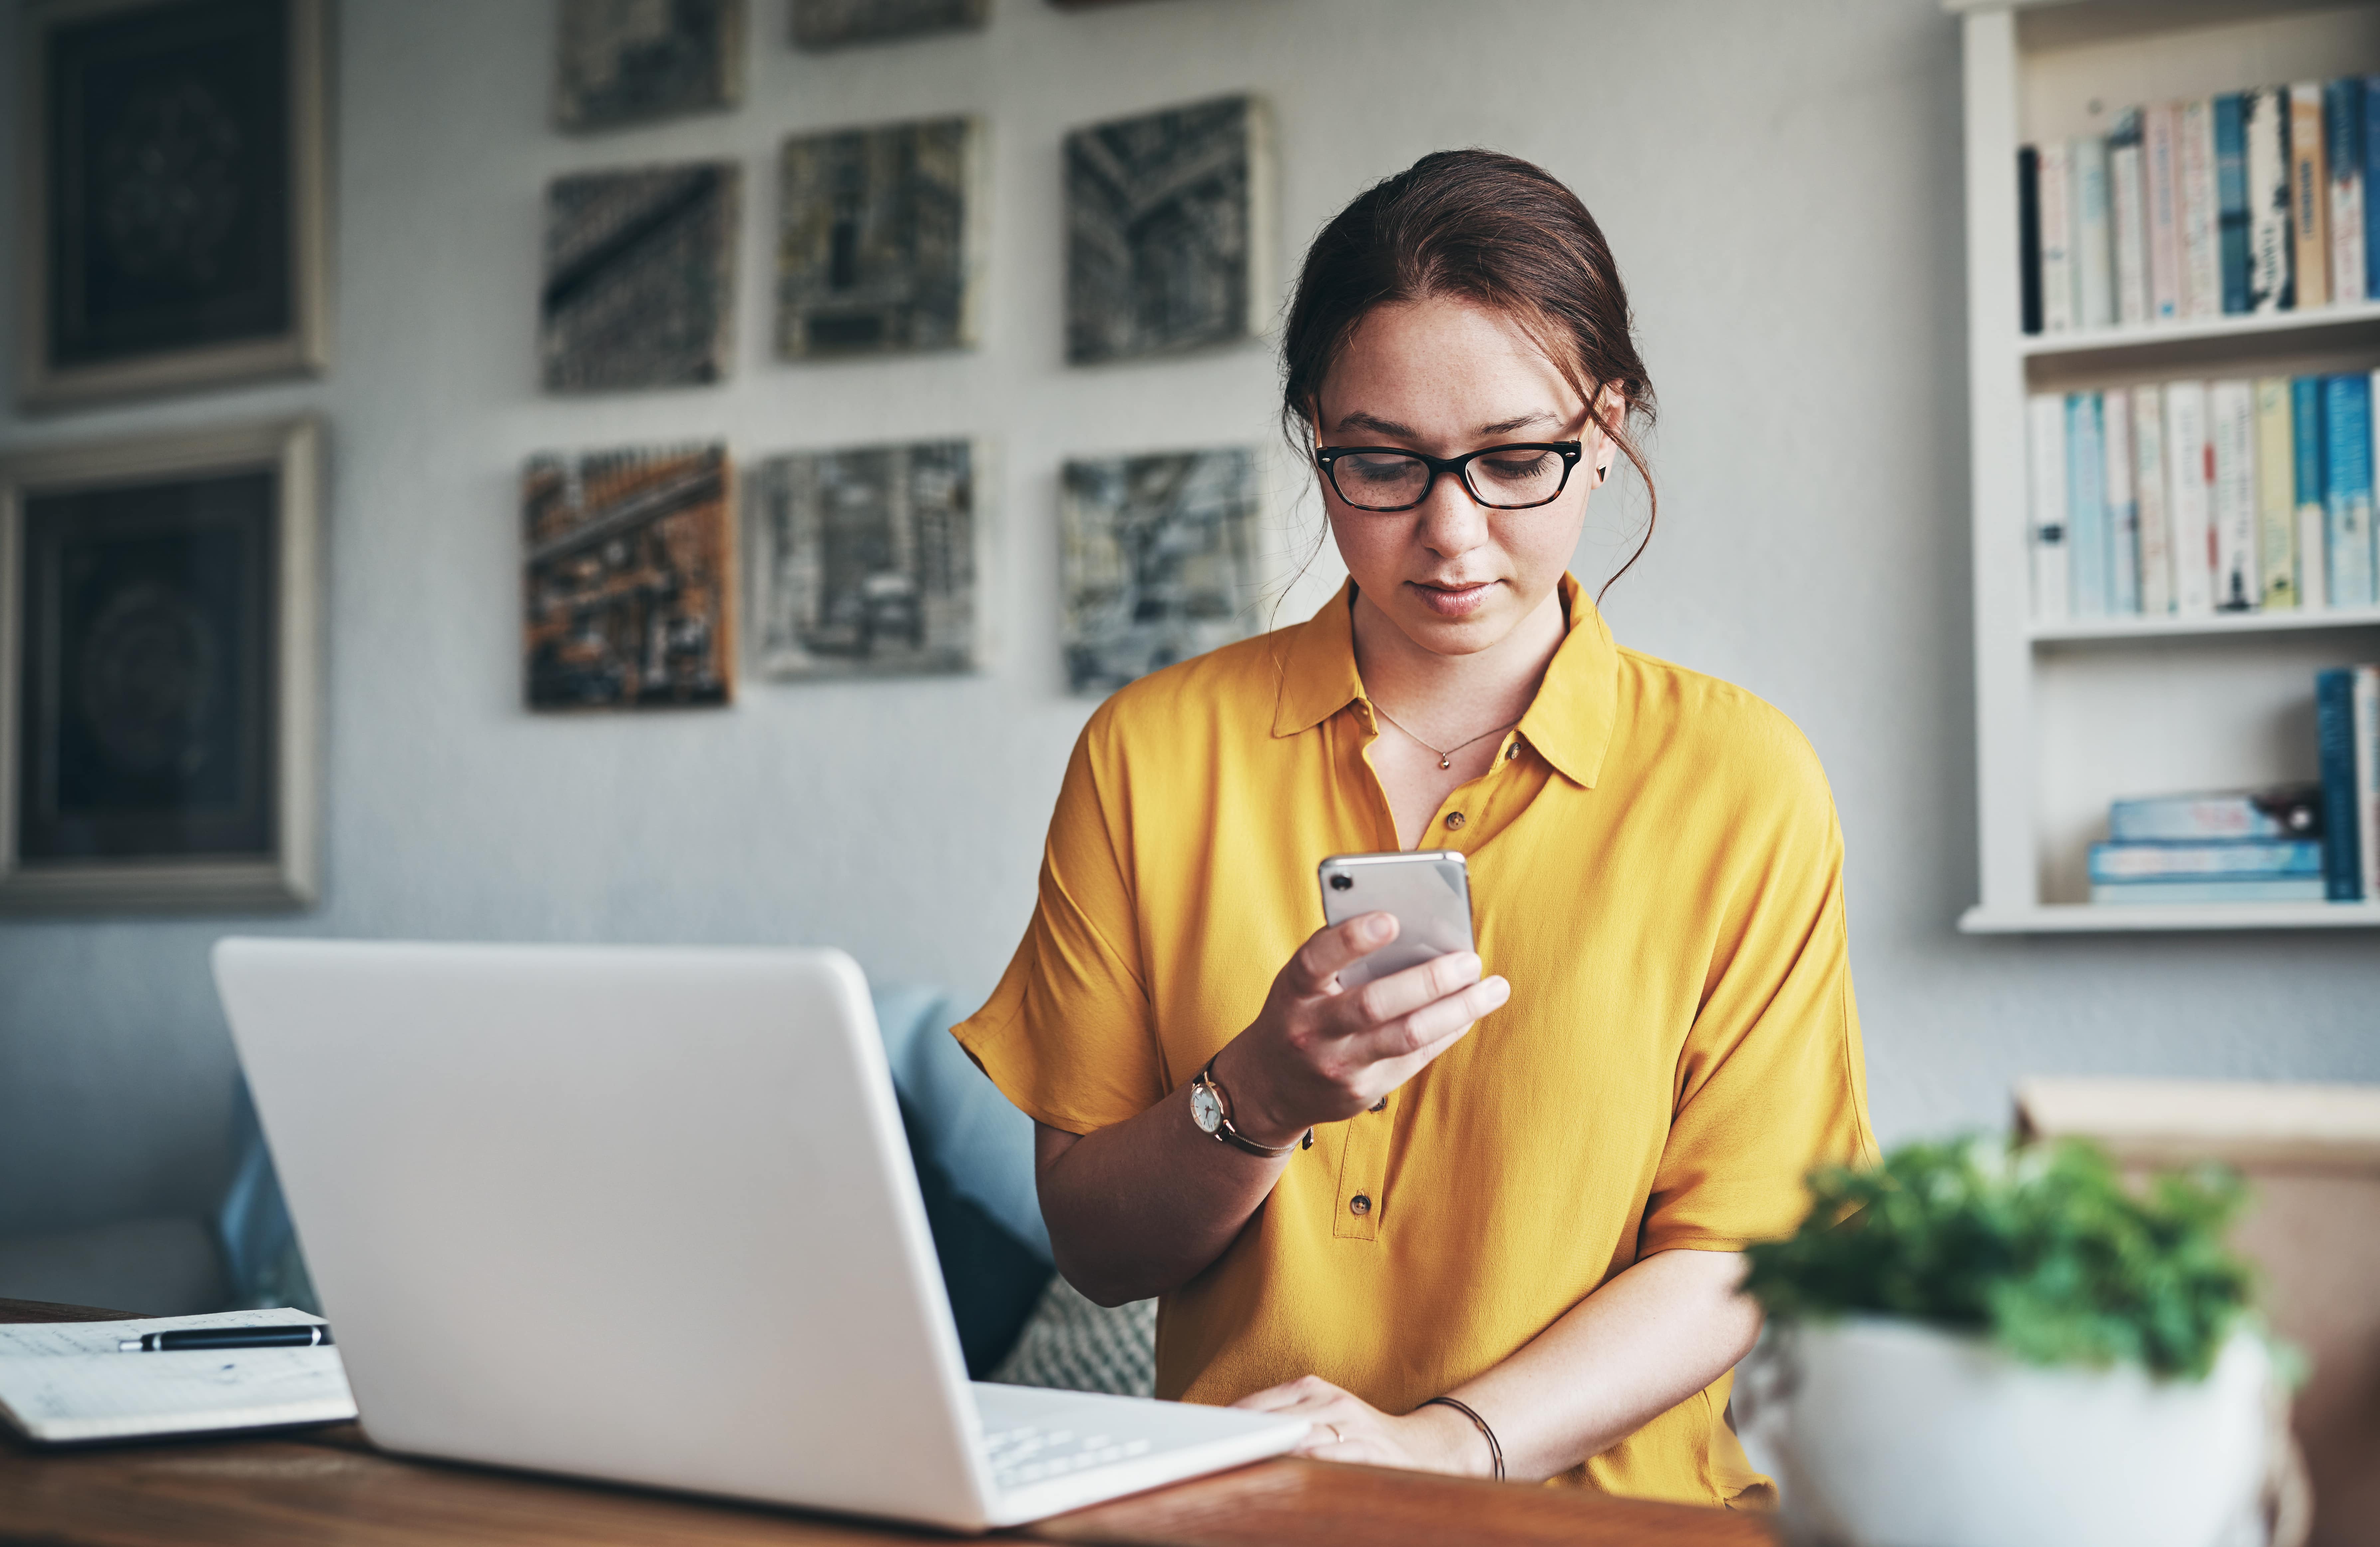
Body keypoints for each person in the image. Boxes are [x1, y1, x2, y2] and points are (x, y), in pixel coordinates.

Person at [953, 149, 1875, 1507]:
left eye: (1515, 460)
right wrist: (1252, 1098)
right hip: (1239, 1516)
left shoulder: (1740, 780)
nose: (1450, 534)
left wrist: (1446, 1444)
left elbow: (1738, 1249)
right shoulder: (1150, 753)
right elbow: (1096, 1244)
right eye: (1379, 464)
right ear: (1312, 434)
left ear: (1606, 430)